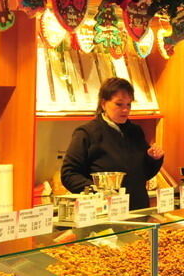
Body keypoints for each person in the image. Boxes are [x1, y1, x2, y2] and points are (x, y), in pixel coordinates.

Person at [61, 77, 164, 210]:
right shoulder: (86, 133)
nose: (125, 110)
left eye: (128, 104)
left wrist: (153, 159)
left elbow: (143, 174)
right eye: (119, 104)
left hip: (138, 209)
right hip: (102, 211)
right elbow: (69, 174)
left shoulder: (135, 131)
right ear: (103, 104)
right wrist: (98, 191)